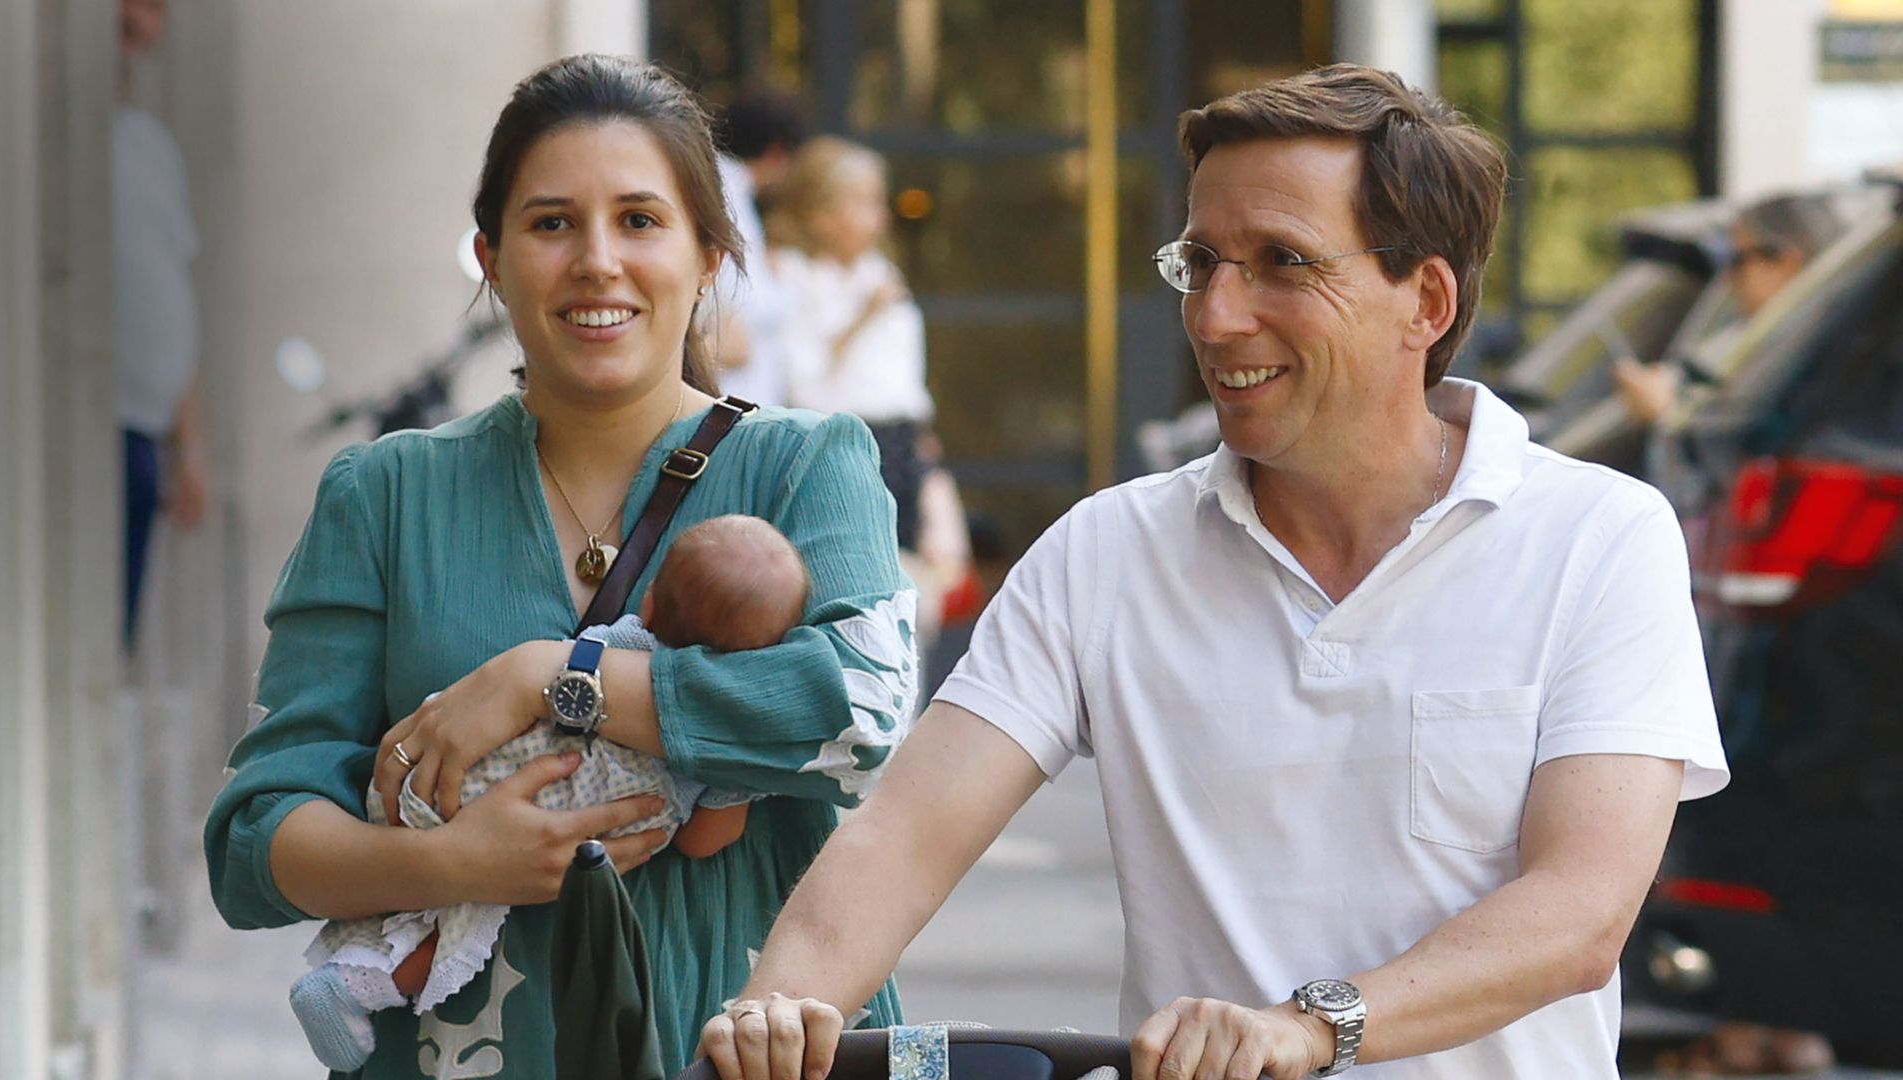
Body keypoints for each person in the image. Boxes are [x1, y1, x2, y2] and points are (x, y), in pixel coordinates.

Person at [698, 64, 1729, 1080]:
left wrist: (1311, 1027)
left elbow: (1581, 912)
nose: (1216, 315)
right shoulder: (1107, 551)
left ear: (1424, 301)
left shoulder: (1599, 537)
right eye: (1202, 260)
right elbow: (903, 837)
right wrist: (773, 1013)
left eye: (1281, 261)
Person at [205, 54, 915, 1080]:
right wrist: (447, 863)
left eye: (639, 220)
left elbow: (863, 707)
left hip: (744, 1045)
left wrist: (555, 677)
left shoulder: (808, 464)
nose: (596, 261)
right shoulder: (387, 493)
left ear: (711, 257)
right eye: (551, 224)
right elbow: (254, 839)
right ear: (491, 261)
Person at [288, 514, 807, 1072]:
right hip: (515, 824)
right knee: (462, 924)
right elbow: (703, 841)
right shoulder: (722, 745)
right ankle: (355, 987)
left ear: (651, 602)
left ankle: (354, 958)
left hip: (437, 776)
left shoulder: (613, 647)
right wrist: (746, 791)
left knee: (419, 900)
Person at [768, 136, 936, 553]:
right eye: (862, 204)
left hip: (900, 442)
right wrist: (863, 316)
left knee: (903, 563)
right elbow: (803, 379)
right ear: (820, 215)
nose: (878, 219)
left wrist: (924, 439)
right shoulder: (792, 277)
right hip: (840, 438)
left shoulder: (879, 271)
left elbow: (902, 368)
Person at [115, 0, 211, 646]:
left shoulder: (148, 144)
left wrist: (190, 446)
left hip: (140, 438)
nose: (140, 19)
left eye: (156, 6)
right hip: (67, 434)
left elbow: (171, 291)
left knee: (110, 635)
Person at [1613, 192, 1846, 426]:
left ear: (1787, 264)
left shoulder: (1820, 353)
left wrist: (1667, 412)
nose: (1726, 276)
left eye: (1736, 259)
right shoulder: (1756, 337)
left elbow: (1753, 439)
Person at [706, 88, 808, 407]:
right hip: (731, 384)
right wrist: (781, 283)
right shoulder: (724, 191)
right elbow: (741, 292)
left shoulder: (731, 188)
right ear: (778, 152)